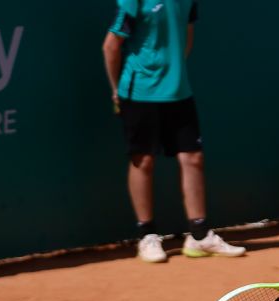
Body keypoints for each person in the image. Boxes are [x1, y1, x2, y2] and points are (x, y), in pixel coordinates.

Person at [102, 0, 245, 263]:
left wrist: (171, 72)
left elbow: (185, 39)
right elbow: (111, 45)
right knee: (142, 160)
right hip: (139, 91)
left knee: (193, 157)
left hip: (179, 91)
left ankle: (199, 236)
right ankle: (147, 235)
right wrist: (116, 90)